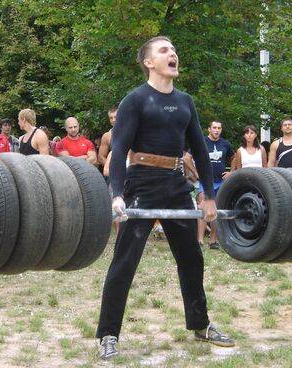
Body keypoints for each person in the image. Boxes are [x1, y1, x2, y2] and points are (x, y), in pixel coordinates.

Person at [96, 36, 234, 360]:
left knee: (192, 258)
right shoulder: (135, 100)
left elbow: (200, 151)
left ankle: (200, 324)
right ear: (149, 62)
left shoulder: (185, 101)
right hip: (141, 184)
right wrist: (117, 194)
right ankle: (108, 334)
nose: (172, 53)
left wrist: (208, 196)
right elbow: (118, 152)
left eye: (174, 49)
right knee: (125, 261)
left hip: (176, 184)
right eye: (164, 50)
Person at [196, 120, 235, 249]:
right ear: (209, 129)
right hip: (205, 182)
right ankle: (199, 240)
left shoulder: (225, 144)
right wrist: (195, 172)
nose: (216, 130)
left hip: (220, 182)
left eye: (219, 128)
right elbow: (187, 158)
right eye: (214, 127)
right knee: (202, 210)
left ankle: (213, 240)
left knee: (216, 211)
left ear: (221, 130)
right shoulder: (201, 142)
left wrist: (231, 172)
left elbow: (234, 157)